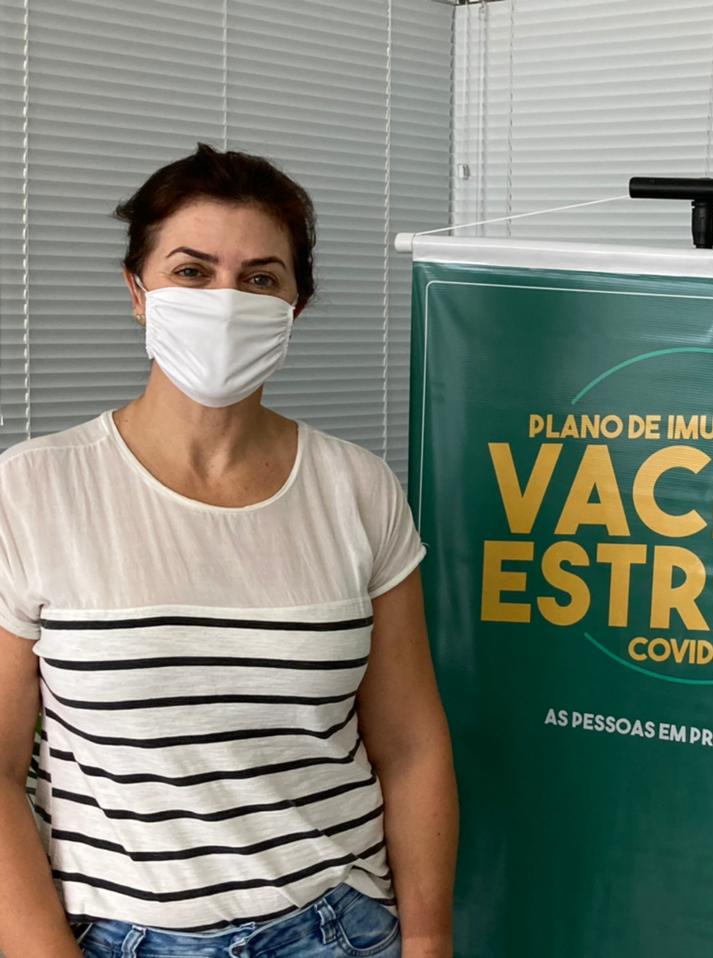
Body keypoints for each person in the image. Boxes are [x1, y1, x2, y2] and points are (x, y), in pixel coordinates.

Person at [0, 144, 458, 957]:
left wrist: (428, 941)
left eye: (259, 278)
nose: (225, 301)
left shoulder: (358, 488)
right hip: (119, 936)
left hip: (337, 928)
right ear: (137, 291)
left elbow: (411, 745)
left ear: (294, 305)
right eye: (191, 271)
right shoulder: (33, 489)